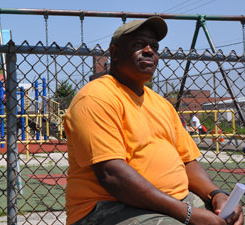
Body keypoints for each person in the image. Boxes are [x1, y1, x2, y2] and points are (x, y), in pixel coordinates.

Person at [63, 16, 243, 225]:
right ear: (115, 53)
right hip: (108, 208)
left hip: (172, 202)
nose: (150, 51)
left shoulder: (161, 104)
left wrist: (216, 195)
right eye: (139, 44)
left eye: (154, 47)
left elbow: (188, 161)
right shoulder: (96, 97)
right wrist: (188, 214)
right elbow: (112, 176)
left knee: (230, 218)